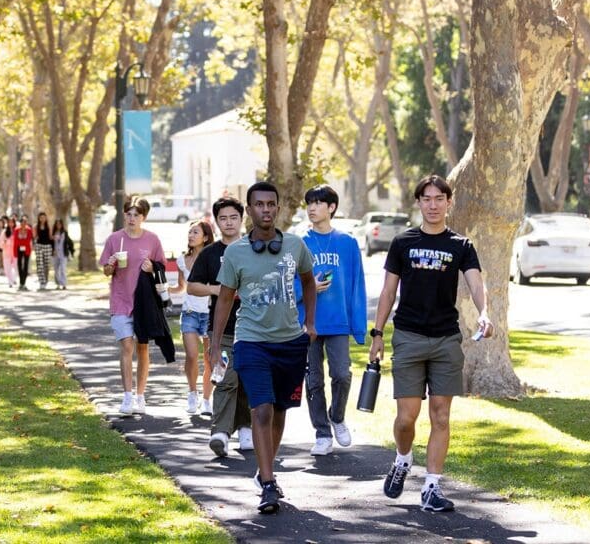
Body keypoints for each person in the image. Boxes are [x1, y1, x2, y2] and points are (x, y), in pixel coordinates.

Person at [369, 174, 494, 513]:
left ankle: (432, 488)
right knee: (407, 418)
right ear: (419, 203)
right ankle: (403, 458)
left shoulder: (461, 245)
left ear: (448, 202)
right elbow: (387, 291)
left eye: (440, 198)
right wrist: (378, 334)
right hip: (408, 336)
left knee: (441, 416)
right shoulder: (402, 242)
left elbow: (475, 283)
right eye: (427, 198)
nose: (434, 204)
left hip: (445, 339)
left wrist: (484, 313)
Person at [209, 181, 316, 514]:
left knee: (281, 410)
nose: (266, 210)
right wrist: (214, 346)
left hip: (289, 342)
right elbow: (225, 298)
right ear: (250, 210)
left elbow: (309, 281)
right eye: (259, 205)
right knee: (262, 409)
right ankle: (269, 485)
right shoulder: (236, 252)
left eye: (271, 204)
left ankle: (264, 470)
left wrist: (309, 324)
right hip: (251, 340)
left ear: (278, 208)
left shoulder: (295, 246)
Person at [294, 184, 367, 457]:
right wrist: (308, 286)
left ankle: (337, 417)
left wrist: (359, 328)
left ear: (331, 207)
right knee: (313, 381)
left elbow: (356, 285)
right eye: (309, 203)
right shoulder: (299, 242)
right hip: (308, 324)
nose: (312, 208)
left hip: (338, 323)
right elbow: (289, 286)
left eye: (317, 203)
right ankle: (322, 432)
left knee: (342, 374)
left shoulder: (347, 243)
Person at [188, 197, 253, 458]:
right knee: (225, 377)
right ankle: (221, 433)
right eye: (223, 218)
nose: (228, 222)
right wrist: (216, 288)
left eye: (233, 217)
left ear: (242, 219)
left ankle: (246, 427)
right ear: (217, 222)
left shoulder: (253, 247)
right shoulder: (210, 253)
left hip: (252, 326)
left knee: (247, 377)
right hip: (221, 327)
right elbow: (192, 286)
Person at [99, 196, 166, 415]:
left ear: (143, 217)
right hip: (120, 301)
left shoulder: (152, 240)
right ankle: (127, 396)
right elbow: (106, 272)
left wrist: (151, 268)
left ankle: (140, 395)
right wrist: (110, 265)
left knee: (143, 349)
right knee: (127, 346)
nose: (131, 218)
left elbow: (161, 268)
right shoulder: (114, 239)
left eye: (136, 214)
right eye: (128, 213)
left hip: (144, 304)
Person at [168, 220, 215, 415]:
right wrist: (165, 289)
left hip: (209, 312)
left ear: (205, 237)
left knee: (210, 359)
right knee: (192, 355)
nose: (191, 236)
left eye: (195, 232)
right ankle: (192, 393)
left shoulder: (212, 259)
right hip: (189, 313)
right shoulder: (182, 260)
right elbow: (182, 287)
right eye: (189, 233)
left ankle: (206, 399)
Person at [51, 218, 74, 289]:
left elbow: (70, 242)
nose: (58, 225)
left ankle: (64, 284)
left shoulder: (65, 233)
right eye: (57, 224)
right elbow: (51, 243)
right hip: (55, 254)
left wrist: (71, 252)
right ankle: (58, 284)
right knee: (56, 269)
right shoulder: (53, 233)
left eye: (59, 224)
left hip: (63, 254)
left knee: (63, 269)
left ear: (62, 225)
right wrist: (52, 250)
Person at [13, 215, 34, 291]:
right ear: (20, 223)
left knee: (25, 266)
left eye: (25, 222)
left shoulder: (29, 230)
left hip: (26, 249)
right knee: (19, 265)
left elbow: (29, 240)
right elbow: (16, 241)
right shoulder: (16, 230)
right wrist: (15, 251)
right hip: (18, 249)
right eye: (22, 222)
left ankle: (23, 283)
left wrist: (22, 241)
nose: (24, 224)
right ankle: (20, 282)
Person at [0, 218, 17, 287]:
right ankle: (10, 282)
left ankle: (14, 279)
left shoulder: (16, 231)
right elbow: (0, 242)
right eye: (9, 222)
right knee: (7, 268)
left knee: (15, 267)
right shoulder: (4, 232)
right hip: (6, 252)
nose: (11, 224)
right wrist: (5, 242)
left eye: (12, 222)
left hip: (15, 253)